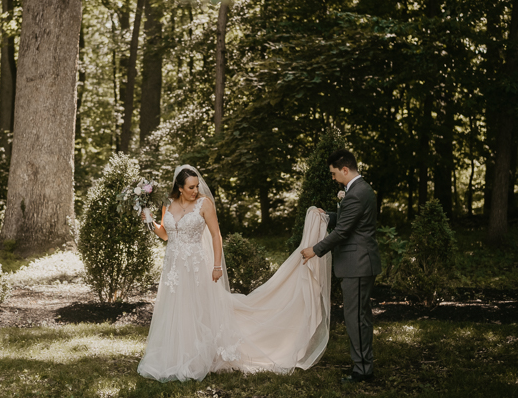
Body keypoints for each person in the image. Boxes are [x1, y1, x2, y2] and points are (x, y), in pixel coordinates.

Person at [137, 165, 332, 382]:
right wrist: (149, 221)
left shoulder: (204, 204)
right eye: (191, 187)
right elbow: (165, 235)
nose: (195, 190)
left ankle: (200, 356)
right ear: (180, 188)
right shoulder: (168, 205)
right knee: (177, 309)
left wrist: (217, 265)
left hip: (196, 266)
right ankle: (176, 355)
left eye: (196, 186)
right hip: (173, 268)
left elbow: (215, 236)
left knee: (198, 309)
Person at [300, 149, 381, 384]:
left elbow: (344, 231)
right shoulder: (359, 190)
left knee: (355, 318)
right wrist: (329, 216)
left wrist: (315, 249)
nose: (334, 178)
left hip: (358, 265)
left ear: (345, 169)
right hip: (360, 263)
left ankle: (362, 371)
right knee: (359, 316)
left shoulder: (357, 193)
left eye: (334, 174)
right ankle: (363, 365)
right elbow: (351, 221)